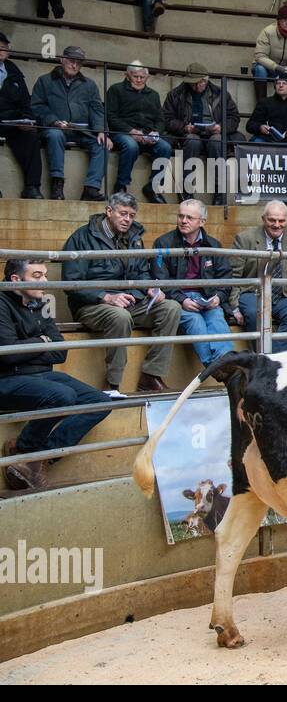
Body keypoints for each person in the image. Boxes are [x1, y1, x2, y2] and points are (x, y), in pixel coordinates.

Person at [0, 259, 111, 494]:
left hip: (41, 376)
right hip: (8, 379)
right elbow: (8, 355)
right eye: (37, 275)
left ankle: (36, 459)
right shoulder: (1, 303)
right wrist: (42, 342)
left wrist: (32, 348)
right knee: (63, 396)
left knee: (100, 402)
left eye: (45, 275)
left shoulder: (40, 302)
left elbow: (60, 352)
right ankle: (25, 448)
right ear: (16, 280)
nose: (45, 281)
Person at [61, 191, 181, 392]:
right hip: (92, 305)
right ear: (109, 211)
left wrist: (149, 288)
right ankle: (113, 384)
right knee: (120, 316)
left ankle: (151, 376)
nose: (127, 220)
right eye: (123, 214)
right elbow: (72, 283)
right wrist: (106, 297)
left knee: (171, 307)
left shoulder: (134, 238)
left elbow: (142, 271)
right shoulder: (82, 237)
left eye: (131, 215)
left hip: (129, 302)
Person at [151, 199, 235, 367]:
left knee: (217, 318)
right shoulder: (163, 243)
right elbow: (160, 279)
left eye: (189, 217)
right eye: (181, 216)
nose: (183, 221)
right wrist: (182, 300)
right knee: (194, 321)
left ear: (202, 221)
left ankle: (228, 365)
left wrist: (218, 297)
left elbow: (225, 277)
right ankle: (215, 368)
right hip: (177, 299)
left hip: (207, 298)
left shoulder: (213, 245)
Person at [229, 200, 287, 354]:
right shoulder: (245, 239)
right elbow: (234, 276)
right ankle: (265, 357)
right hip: (252, 292)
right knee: (254, 314)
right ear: (263, 219)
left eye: (281, 220)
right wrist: (234, 307)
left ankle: (269, 358)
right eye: (272, 220)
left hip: (285, 294)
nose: (277, 225)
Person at [31, 47, 110, 201]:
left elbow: (97, 110)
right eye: (71, 61)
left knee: (102, 143)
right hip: (55, 128)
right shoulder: (45, 81)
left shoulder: (89, 84)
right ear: (62, 60)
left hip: (81, 130)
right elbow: (37, 106)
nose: (75, 66)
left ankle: (91, 188)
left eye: (78, 63)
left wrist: (101, 130)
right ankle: (57, 184)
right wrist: (54, 121)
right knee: (55, 135)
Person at [161, 62, 242, 204]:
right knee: (192, 140)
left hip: (213, 133)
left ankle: (220, 193)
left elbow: (234, 118)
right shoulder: (176, 94)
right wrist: (184, 127)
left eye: (198, 83)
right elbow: (167, 119)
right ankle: (187, 192)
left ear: (205, 80)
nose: (195, 86)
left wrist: (221, 127)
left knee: (217, 140)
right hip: (189, 134)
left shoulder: (220, 93)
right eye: (192, 83)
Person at [106, 62, 171, 203]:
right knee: (130, 146)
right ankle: (121, 186)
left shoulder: (153, 95)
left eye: (142, 77)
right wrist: (131, 131)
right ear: (127, 75)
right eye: (135, 76)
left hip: (147, 134)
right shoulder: (115, 90)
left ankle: (153, 187)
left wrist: (155, 133)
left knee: (165, 147)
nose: (139, 80)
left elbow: (160, 119)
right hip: (123, 132)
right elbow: (111, 117)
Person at [0, 32, 45, 198]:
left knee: (31, 135)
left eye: (4, 47)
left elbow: (26, 101)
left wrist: (27, 119)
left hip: (12, 121)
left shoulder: (13, 70)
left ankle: (32, 187)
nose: (1, 50)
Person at [252, 5, 287, 101]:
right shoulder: (267, 32)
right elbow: (260, 56)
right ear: (278, 21)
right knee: (260, 69)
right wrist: (276, 67)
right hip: (269, 68)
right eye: (284, 20)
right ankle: (261, 105)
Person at [247, 74, 287, 143]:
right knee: (257, 142)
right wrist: (260, 127)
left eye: (284, 83)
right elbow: (250, 125)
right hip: (265, 139)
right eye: (278, 83)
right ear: (275, 87)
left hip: (285, 143)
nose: (281, 85)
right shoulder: (264, 103)